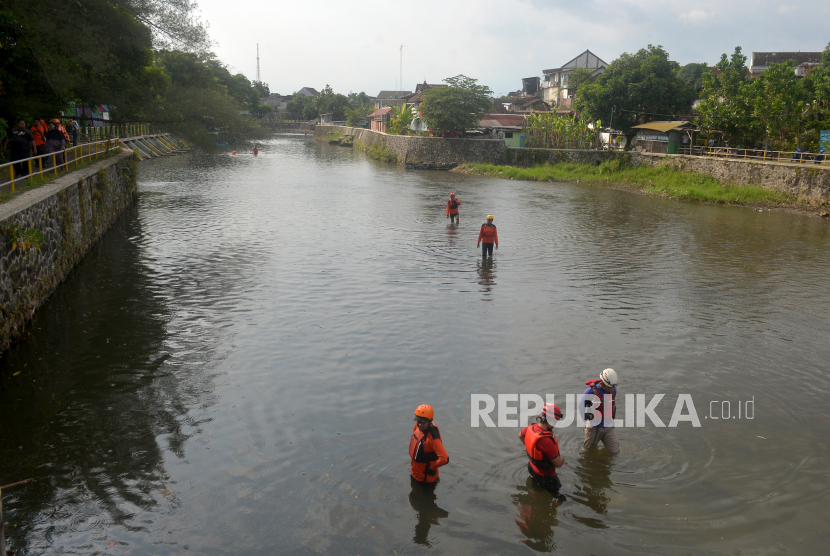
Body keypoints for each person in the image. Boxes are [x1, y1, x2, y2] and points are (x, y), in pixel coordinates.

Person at [519, 403, 565, 493]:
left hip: (531, 468)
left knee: (536, 489)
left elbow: (520, 435)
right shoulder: (546, 441)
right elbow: (558, 464)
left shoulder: (531, 428)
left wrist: (531, 448)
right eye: (555, 421)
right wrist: (562, 459)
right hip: (545, 476)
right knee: (561, 498)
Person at [580, 368, 620, 454]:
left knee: (615, 452)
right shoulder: (589, 392)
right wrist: (586, 422)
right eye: (609, 387)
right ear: (602, 383)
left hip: (608, 426)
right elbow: (581, 406)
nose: (611, 389)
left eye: (612, 387)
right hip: (593, 427)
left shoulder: (613, 391)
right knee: (587, 452)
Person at [409, 404, 449, 485]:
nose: (420, 424)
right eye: (418, 421)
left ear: (430, 421)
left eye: (423, 422)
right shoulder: (417, 427)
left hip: (427, 480)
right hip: (414, 473)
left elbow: (445, 459)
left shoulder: (433, 437)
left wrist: (432, 466)